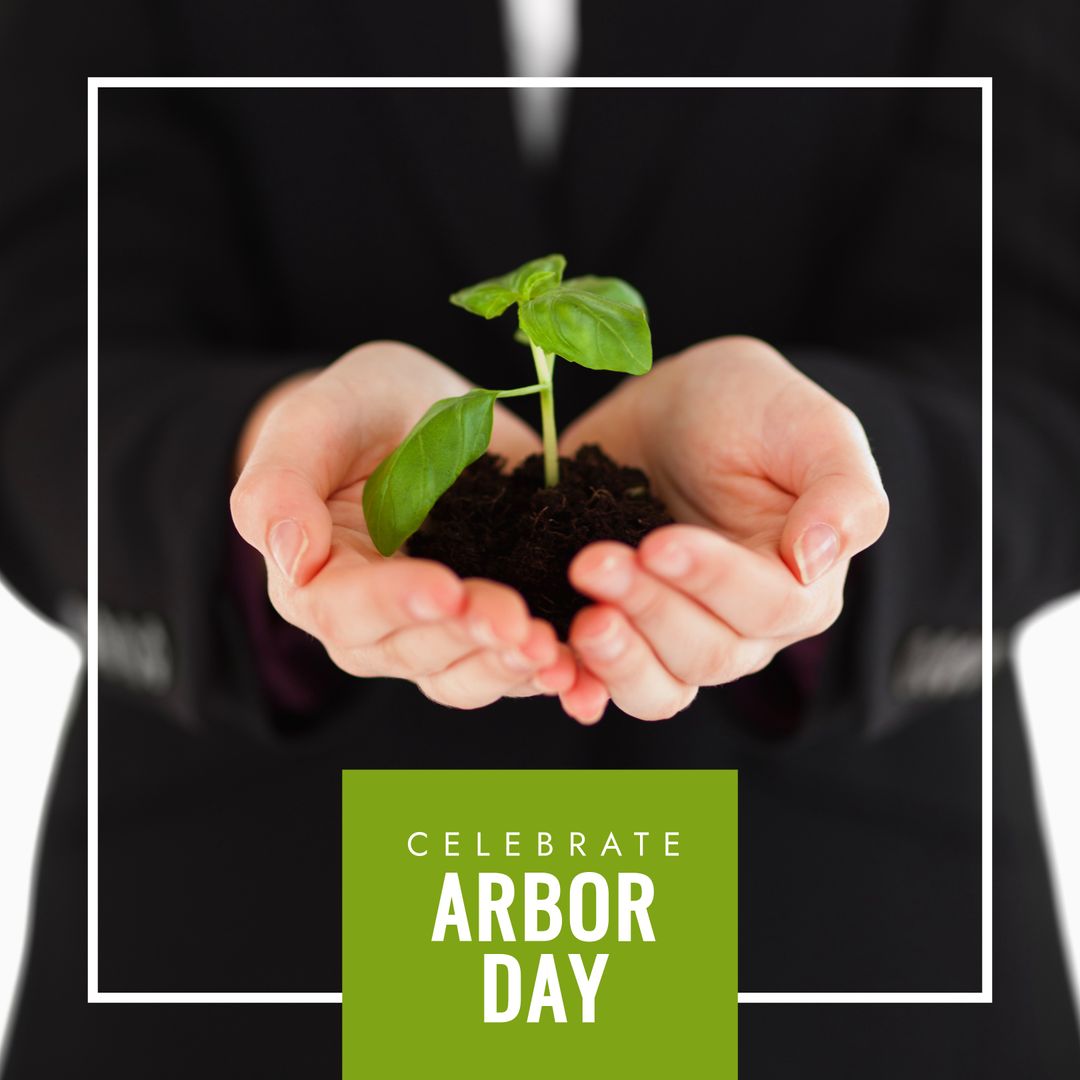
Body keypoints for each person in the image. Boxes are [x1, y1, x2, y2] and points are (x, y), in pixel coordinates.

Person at [1, 1, 1078, 1077]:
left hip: (840, 953)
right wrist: (272, 506)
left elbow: (1043, 348)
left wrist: (818, 520)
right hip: (246, 944)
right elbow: (47, 337)